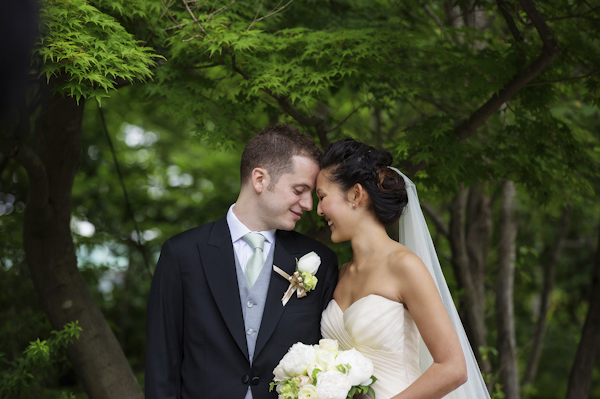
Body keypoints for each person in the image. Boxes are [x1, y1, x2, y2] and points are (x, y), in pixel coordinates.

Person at [145, 124, 339, 399]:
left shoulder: (321, 261)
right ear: (260, 179)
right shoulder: (182, 254)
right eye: (299, 190)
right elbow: (161, 363)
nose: (309, 204)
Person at [318, 139, 490, 399]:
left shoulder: (404, 266)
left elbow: (453, 368)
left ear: (355, 194)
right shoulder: (340, 274)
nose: (318, 210)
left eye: (322, 197)